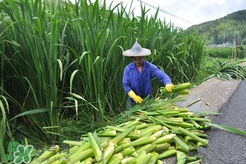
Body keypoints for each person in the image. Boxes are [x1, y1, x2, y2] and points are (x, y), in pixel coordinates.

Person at [122, 41, 174, 109]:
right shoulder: (128, 69)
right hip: (133, 101)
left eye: (139, 58)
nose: (137, 61)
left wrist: (167, 82)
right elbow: (125, 84)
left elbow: (161, 74)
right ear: (132, 58)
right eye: (135, 59)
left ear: (142, 57)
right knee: (131, 117)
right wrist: (133, 96)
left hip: (147, 100)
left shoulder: (149, 67)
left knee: (147, 118)